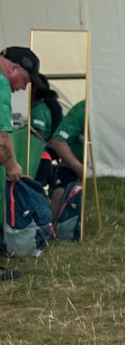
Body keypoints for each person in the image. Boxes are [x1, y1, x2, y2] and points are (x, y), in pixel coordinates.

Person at [0, 46, 42, 187]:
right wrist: (13, 167)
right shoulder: (1, 83)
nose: (24, 88)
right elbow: (2, 137)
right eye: (25, 80)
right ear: (14, 69)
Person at [47, 98, 86, 217]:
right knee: (60, 193)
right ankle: (52, 231)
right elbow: (58, 142)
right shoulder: (83, 108)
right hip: (73, 168)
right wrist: (80, 170)